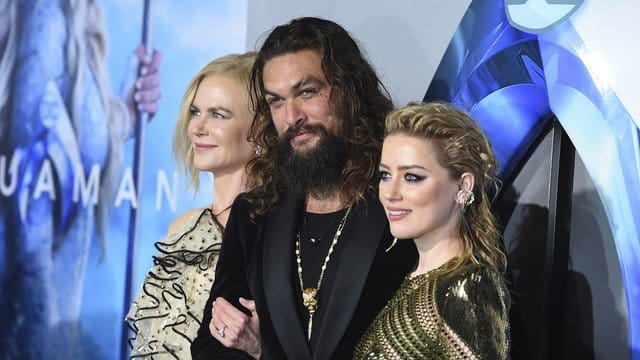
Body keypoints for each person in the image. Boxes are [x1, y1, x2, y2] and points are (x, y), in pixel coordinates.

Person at [191, 16, 417, 360]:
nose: (291, 116)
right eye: (276, 101)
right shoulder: (255, 215)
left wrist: (263, 351)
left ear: (350, 90)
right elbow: (210, 346)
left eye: (307, 92)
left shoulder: (407, 204)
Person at [0, 0, 161, 357]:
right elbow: (32, 199)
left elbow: (67, 133)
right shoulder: (45, 11)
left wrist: (125, 115)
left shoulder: (76, 13)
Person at [125, 52, 260, 359]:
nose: (198, 127)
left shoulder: (273, 231)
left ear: (259, 127)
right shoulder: (183, 228)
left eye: (218, 114)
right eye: (196, 112)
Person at [353, 101, 511, 359]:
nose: (390, 193)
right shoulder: (415, 277)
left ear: (463, 186)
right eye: (384, 175)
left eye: (412, 177)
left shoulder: (467, 286)